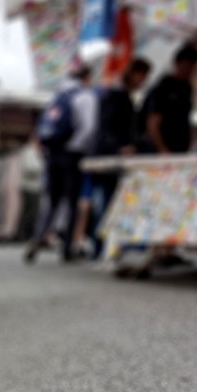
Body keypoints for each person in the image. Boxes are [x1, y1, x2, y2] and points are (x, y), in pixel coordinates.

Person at [70, 58, 152, 260]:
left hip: (113, 156)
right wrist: (119, 148)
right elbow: (105, 128)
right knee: (106, 204)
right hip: (109, 159)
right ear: (134, 73)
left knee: (106, 203)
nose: (143, 80)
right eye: (142, 75)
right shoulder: (116, 96)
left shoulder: (122, 96)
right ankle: (101, 247)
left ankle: (103, 246)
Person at [24, 57, 98, 264]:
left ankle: (39, 236)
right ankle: (67, 248)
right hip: (72, 154)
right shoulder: (84, 96)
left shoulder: (58, 96)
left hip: (53, 153)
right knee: (72, 200)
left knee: (52, 199)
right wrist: (78, 146)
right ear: (87, 77)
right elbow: (89, 128)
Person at [139, 42, 197, 156]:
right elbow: (153, 123)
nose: (192, 70)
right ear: (179, 63)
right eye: (189, 65)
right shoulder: (163, 88)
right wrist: (162, 149)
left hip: (180, 151)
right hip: (161, 153)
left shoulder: (186, 88)